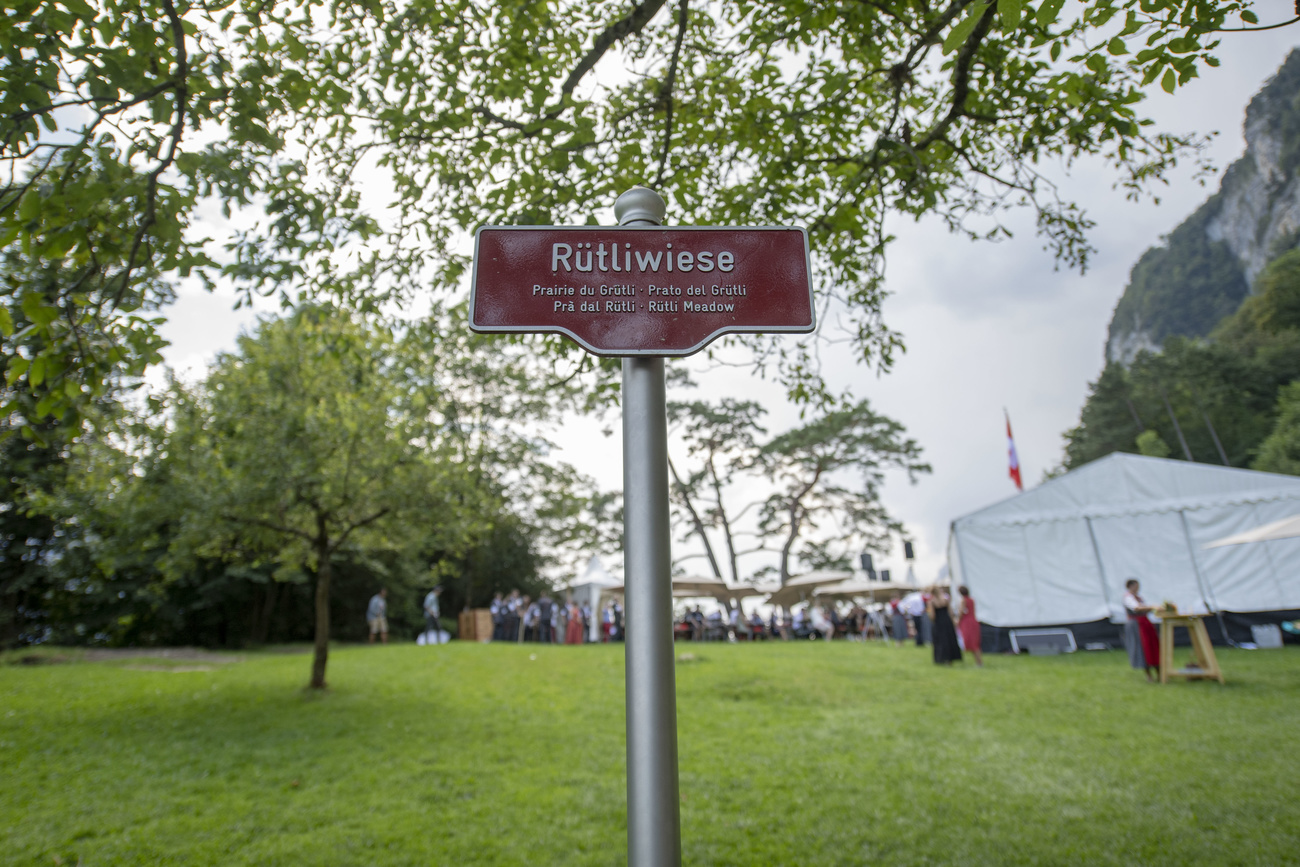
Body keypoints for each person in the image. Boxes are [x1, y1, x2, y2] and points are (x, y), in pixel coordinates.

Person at [1123, 578, 1161, 682]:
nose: (1137, 588)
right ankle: (1149, 674)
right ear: (1130, 586)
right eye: (1136, 586)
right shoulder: (1128, 597)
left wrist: (1152, 608)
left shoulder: (1139, 597)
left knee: (1153, 647)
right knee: (1142, 649)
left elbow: (1143, 608)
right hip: (1137, 625)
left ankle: (1159, 672)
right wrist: (1153, 607)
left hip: (1145, 623)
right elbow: (1137, 608)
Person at [927, 585, 962, 665]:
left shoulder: (932, 602)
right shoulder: (945, 600)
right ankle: (950, 659)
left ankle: (941, 658)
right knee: (949, 639)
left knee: (940, 641)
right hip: (947, 621)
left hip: (938, 623)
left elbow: (932, 615)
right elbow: (951, 612)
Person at [956, 585, 983, 667]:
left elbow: (961, 612)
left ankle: (979, 662)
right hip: (973, 621)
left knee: (971, 642)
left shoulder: (963, 601)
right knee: (974, 642)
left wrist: (958, 621)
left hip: (967, 622)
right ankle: (978, 661)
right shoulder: (972, 600)